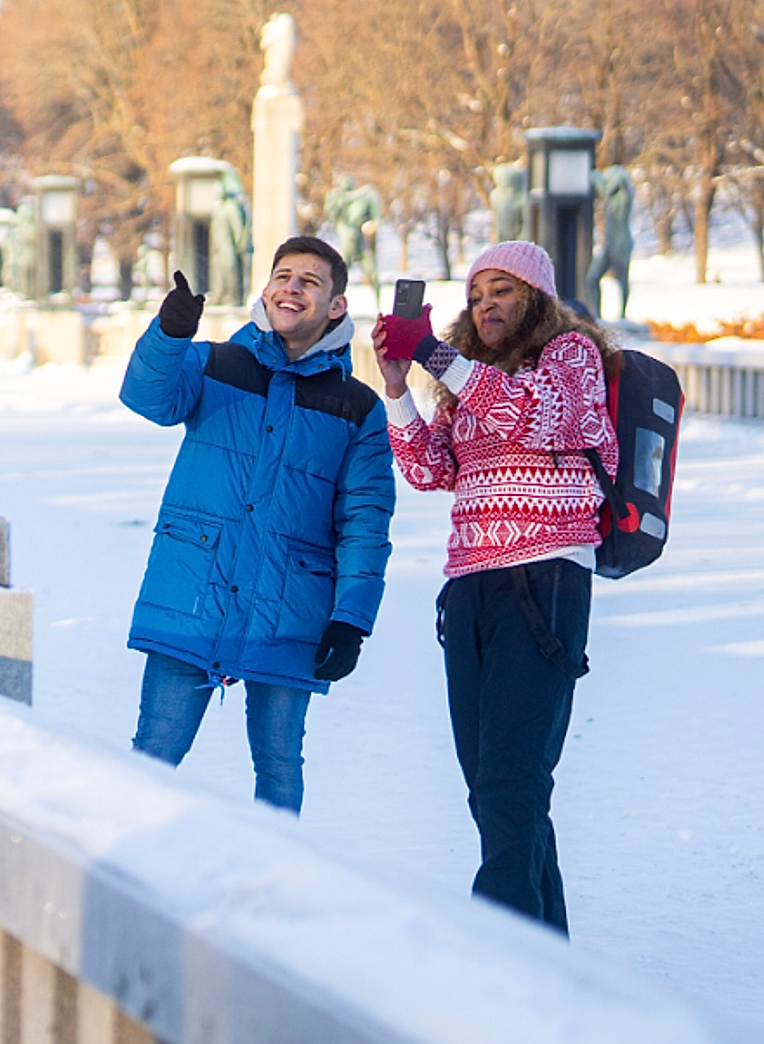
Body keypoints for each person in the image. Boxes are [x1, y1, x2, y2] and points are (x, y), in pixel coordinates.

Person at [372, 240, 619, 935]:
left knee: (513, 784)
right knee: (494, 789)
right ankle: (549, 956)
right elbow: (430, 469)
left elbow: (532, 418)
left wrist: (436, 355)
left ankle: (501, 961)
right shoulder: (472, 380)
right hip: (472, 586)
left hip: (544, 580)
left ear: (536, 298)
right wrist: (398, 388)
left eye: (502, 290)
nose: (486, 305)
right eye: (476, 295)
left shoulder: (570, 359)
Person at [120, 235, 394, 813]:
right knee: (153, 754)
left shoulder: (358, 408)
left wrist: (351, 619)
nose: (292, 287)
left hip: (289, 607)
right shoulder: (214, 362)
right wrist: (169, 335)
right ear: (265, 290)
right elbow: (147, 398)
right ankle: (122, 877)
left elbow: (366, 519)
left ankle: (276, 892)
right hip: (193, 591)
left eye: (310, 282)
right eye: (283, 276)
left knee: (278, 767)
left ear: (336, 307)